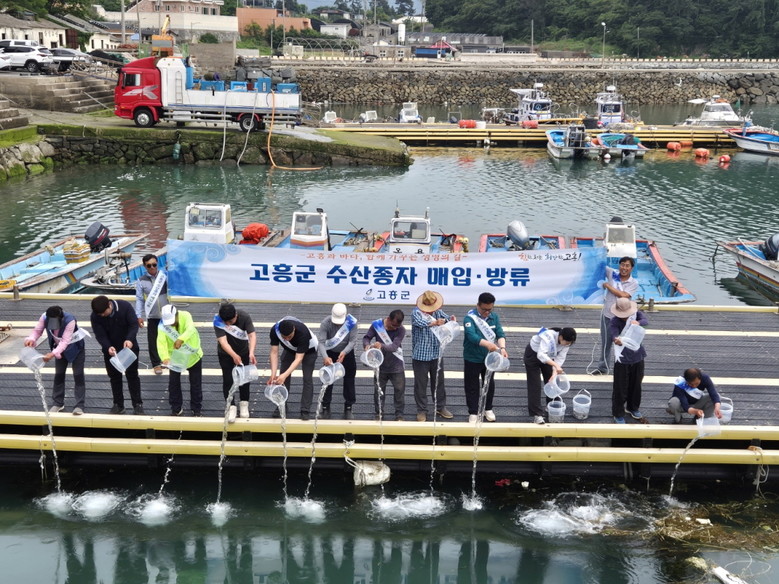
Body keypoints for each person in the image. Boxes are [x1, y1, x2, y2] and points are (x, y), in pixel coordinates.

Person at [24, 306, 86, 415]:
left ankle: (79, 405)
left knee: (78, 375)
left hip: (75, 348)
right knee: (59, 375)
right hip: (58, 348)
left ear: (61, 318)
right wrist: (31, 339)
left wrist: (52, 354)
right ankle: (58, 403)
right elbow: (37, 331)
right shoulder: (44, 317)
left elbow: (65, 341)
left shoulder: (70, 320)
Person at [90, 295, 144, 415]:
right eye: (99, 314)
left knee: (132, 376)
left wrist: (130, 339)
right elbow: (100, 334)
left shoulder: (125, 306)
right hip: (111, 350)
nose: (102, 315)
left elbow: (133, 325)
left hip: (129, 347)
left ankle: (137, 404)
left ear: (109, 306)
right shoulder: (95, 316)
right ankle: (118, 404)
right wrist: (107, 346)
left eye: (104, 313)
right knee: (114, 377)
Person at [463, 292, 507, 423]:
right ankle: (473, 411)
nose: (487, 312)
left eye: (490, 309)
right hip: (472, 357)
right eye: (484, 309)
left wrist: (502, 348)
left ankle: (488, 408)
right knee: (472, 385)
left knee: (489, 383)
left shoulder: (494, 317)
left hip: (489, 357)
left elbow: (500, 333)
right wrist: (487, 344)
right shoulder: (469, 318)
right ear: (478, 305)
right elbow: (472, 336)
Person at [411, 290, 455, 422]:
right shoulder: (416, 313)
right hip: (421, 355)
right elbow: (420, 323)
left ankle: (440, 407)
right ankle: (421, 410)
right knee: (421, 385)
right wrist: (436, 323)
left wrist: (450, 320)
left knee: (439, 383)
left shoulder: (438, 312)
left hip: (437, 353)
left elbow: (447, 319)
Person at [594, 256, 638, 374]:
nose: (624, 268)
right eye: (622, 264)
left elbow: (623, 295)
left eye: (627, 265)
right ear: (619, 265)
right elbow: (599, 264)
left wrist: (608, 286)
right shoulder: (612, 273)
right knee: (606, 343)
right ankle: (602, 368)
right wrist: (601, 252)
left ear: (632, 268)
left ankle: (623, 368)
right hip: (608, 315)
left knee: (623, 343)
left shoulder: (633, 282)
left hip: (624, 318)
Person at [524, 327, 577, 424]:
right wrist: (555, 366)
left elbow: (560, 359)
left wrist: (554, 373)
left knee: (553, 381)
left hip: (549, 356)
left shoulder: (567, 343)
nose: (567, 344)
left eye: (569, 343)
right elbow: (541, 355)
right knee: (535, 384)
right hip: (533, 355)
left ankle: (551, 405)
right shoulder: (548, 336)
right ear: (561, 337)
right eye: (566, 342)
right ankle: (537, 414)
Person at [268, 317, 318, 420]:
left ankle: (305, 409)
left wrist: (284, 375)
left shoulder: (303, 333)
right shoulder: (275, 330)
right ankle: (282, 405)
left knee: (307, 378)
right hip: (290, 350)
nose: (287, 339)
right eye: (284, 337)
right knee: (282, 375)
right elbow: (274, 352)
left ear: (294, 329)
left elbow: (298, 359)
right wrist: (273, 374)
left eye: (289, 336)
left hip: (309, 351)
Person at [157, 304, 203, 416]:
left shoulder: (186, 315)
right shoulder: (162, 325)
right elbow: (161, 342)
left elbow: (190, 329)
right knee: (173, 383)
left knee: (196, 383)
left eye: (172, 321)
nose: (171, 324)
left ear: (176, 314)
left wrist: (181, 339)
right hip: (175, 358)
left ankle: (196, 409)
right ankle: (176, 408)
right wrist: (165, 358)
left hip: (193, 355)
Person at [214, 303, 256, 423]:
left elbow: (252, 335)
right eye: (225, 322)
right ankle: (231, 406)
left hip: (243, 351)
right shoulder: (218, 320)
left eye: (230, 321)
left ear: (236, 315)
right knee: (228, 379)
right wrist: (233, 355)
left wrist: (251, 352)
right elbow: (223, 341)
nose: (228, 324)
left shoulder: (245, 317)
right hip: (225, 353)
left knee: (244, 378)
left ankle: (244, 404)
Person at [363, 310, 406, 421]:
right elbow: (366, 337)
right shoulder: (376, 325)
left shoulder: (401, 330)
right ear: (388, 319)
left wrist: (380, 345)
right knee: (378, 391)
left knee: (399, 391)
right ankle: (379, 413)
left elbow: (394, 347)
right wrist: (367, 345)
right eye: (393, 325)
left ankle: (399, 414)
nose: (395, 328)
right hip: (379, 363)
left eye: (397, 326)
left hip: (396, 364)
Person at [610, 297, 648, 424]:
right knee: (620, 387)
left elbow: (645, 320)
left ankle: (633, 408)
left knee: (636, 384)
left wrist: (638, 323)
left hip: (637, 355)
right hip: (622, 358)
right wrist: (616, 339)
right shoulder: (614, 321)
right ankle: (618, 413)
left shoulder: (635, 314)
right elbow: (613, 334)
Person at [317, 303, 358, 420]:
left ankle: (348, 407)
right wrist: (325, 357)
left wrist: (344, 352)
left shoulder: (352, 322)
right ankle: (325, 407)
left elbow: (352, 341)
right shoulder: (325, 323)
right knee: (327, 380)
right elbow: (321, 342)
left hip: (347, 354)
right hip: (330, 353)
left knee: (349, 380)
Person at [135, 253, 168, 375]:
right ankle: (156, 364)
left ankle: (167, 360)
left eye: (154, 264)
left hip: (167, 315)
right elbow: (139, 299)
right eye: (149, 265)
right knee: (153, 341)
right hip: (152, 315)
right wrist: (138, 316)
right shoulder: (141, 281)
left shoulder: (165, 276)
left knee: (169, 338)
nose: (152, 267)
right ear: (145, 266)